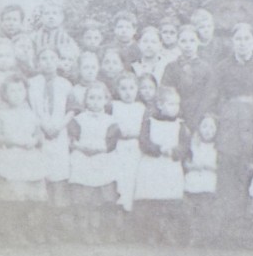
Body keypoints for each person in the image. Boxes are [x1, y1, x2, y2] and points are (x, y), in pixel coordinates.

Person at [212, 22, 253, 238]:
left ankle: (247, 228)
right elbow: (213, 96)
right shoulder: (221, 67)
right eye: (238, 39)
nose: (242, 44)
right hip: (229, 123)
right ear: (231, 42)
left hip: (251, 121)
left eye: (247, 39)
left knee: (247, 171)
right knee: (227, 172)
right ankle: (227, 227)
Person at [0, 74, 48, 240]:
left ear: (25, 92)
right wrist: (14, 141)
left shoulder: (30, 113)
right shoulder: (1, 114)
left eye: (20, 90)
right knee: (15, 197)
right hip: (11, 156)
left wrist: (35, 140)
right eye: (12, 91)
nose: (16, 94)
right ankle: (12, 231)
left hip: (29, 157)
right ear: (5, 94)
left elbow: (39, 135)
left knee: (33, 197)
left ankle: (31, 229)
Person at [135, 86, 191, 244]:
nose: (175, 108)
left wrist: (174, 151)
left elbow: (184, 146)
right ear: (160, 104)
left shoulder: (180, 125)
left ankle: (168, 232)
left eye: (177, 104)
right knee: (152, 202)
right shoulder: (150, 122)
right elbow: (144, 142)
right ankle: (152, 233)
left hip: (170, 167)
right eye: (171, 104)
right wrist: (159, 149)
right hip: (152, 165)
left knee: (170, 201)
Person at [66, 81, 119, 240]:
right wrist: (82, 148)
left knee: (102, 199)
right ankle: (84, 230)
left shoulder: (111, 121)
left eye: (99, 98)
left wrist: (100, 150)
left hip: (102, 159)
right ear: (85, 100)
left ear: (106, 100)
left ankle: (100, 230)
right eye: (91, 98)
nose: (95, 102)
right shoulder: (79, 119)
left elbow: (111, 143)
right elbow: (72, 140)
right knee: (84, 198)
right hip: (83, 158)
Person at [29, 46, 74, 231]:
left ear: (58, 61)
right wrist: (42, 125)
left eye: (52, 58)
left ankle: (56, 227)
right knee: (41, 179)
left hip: (59, 134)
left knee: (58, 179)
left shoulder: (66, 84)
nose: (48, 62)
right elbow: (30, 108)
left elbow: (72, 109)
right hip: (39, 133)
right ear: (38, 63)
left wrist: (60, 125)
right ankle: (39, 227)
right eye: (44, 58)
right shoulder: (32, 83)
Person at [160, 25, 215, 130]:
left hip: (199, 115)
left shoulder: (206, 68)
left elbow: (209, 95)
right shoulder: (171, 67)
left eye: (192, 41)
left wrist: (198, 117)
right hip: (176, 116)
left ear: (198, 42)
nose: (188, 45)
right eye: (183, 41)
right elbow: (166, 92)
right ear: (177, 43)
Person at [109, 73, 147, 212]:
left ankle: (131, 212)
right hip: (119, 147)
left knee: (133, 179)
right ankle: (120, 210)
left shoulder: (141, 107)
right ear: (117, 90)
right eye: (123, 89)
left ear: (137, 90)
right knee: (120, 178)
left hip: (135, 147)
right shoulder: (114, 106)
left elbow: (144, 130)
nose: (128, 92)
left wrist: (135, 134)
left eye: (131, 88)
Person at [183, 115, 220, 246]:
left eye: (211, 127)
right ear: (199, 127)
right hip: (193, 182)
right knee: (192, 210)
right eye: (204, 126)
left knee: (206, 210)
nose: (207, 130)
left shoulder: (217, 147)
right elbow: (186, 163)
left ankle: (206, 238)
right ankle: (193, 236)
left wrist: (211, 167)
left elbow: (220, 166)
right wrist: (194, 166)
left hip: (208, 183)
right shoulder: (193, 145)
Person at [32, 0, 80, 71]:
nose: (51, 17)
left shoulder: (66, 39)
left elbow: (75, 58)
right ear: (41, 17)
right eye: (47, 13)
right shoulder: (34, 37)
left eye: (55, 13)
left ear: (61, 17)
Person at [0, 4, 35, 75]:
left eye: (15, 20)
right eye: (8, 19)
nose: (11, 23)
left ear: (21, 22)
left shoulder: (26, 39)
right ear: (2, 21)